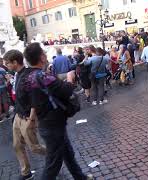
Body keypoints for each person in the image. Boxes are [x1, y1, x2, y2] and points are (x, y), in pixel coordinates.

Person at [23, 43, 93, 180]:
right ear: (42, 57)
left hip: (48, 122)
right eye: (44, 53)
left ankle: (80, 177)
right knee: (53, 164)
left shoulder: (28, 77)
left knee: (68, 153)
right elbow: (66, 90)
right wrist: (70, 78)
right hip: (53, 125)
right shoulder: (43, 76)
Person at [3, 49, 46, 180]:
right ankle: (26, 173)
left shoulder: (29, 75)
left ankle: (56, 155)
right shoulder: (16, 75)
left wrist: (31, 119)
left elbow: (35, 98)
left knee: (34, 147)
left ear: (15, 62)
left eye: (7, 63)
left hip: (28, 116)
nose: (6, 66)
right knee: (17, 145)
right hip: (18, 115)